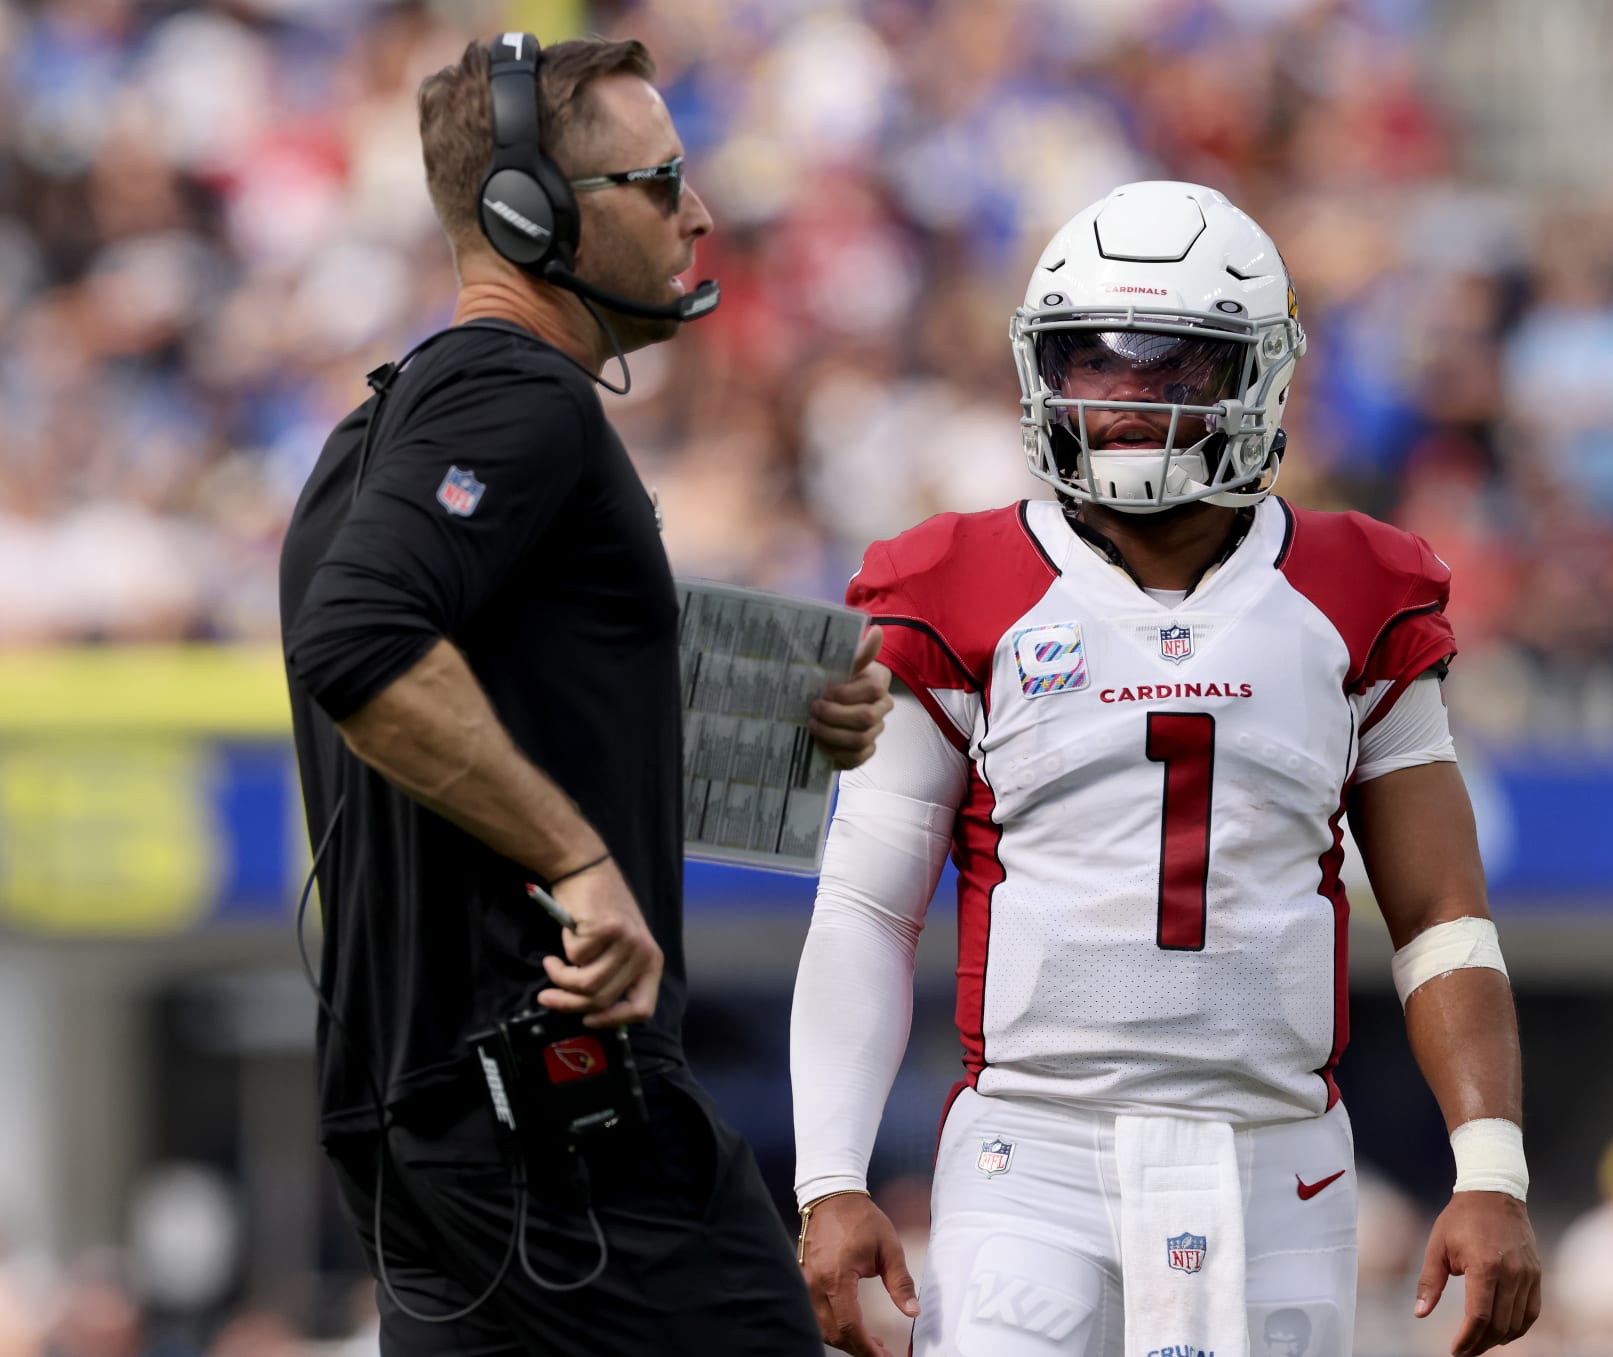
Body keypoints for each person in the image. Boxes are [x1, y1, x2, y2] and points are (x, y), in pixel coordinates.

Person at [789, 181, 1541, 1357]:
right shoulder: (951, 585)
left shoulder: (1358, 590)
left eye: (1171, 364)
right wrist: (830, 1174)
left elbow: (1442, 912)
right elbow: (868, 906)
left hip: (1276, 1150)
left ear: (1257, 373)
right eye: (1091, 358)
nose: (1124, 398)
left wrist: (1491, 1165)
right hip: (1032, 1144)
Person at [279, 32, 893, 1356]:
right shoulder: (515, 396)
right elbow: (361, 641)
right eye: (660, 180)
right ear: (527, 213)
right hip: (562, 1122)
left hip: (437, 1135)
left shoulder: (374, 433)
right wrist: (579, 859)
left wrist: (777, 712)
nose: (700, 212)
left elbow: (516, 691)